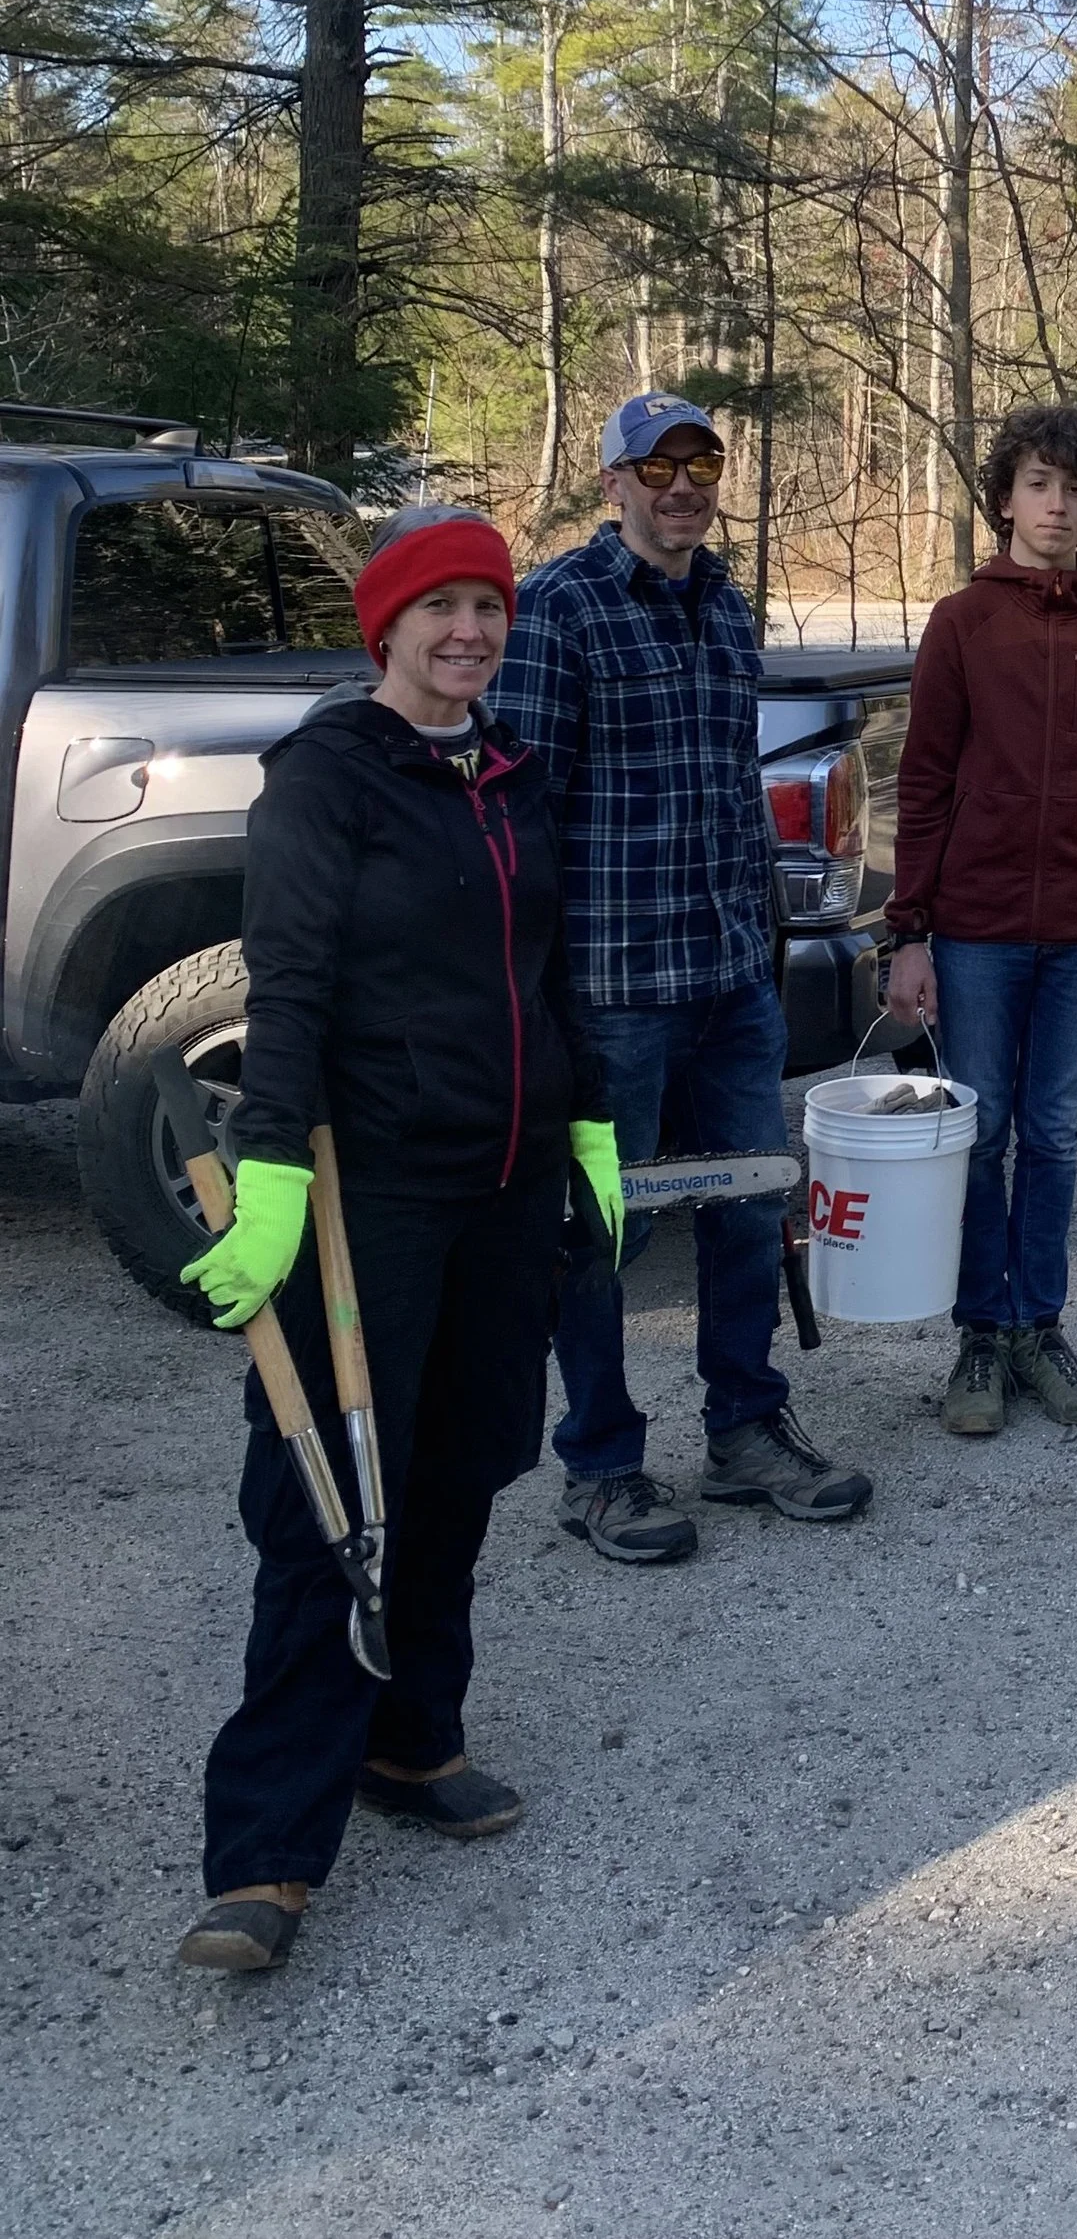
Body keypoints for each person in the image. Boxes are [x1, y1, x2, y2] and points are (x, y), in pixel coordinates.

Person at [177, 506, 621, 1972]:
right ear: (388, 630)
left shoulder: (512, 775)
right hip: (368, 1196)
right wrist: (272, 1181)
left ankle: (411, 1739)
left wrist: (593, 1129)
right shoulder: (327, 779)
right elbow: (288, 988)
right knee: (328, 1498)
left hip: (506, 1189)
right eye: (438, 610)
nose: (468, 634)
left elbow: (552, 977)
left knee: (467, 1464)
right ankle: (263, 1855)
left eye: (487, 609)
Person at [492, 394, 870, 1565]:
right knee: (597, 1231)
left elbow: (728, 798)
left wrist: (766, 940)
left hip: (730, 983)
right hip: (612, 993)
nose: (682, 484)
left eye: (700, 462)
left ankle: (746, 1429)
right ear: (613, 484)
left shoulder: (727, 604)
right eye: (655, 465)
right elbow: (525, 816)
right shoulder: (560, 610)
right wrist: (537, 995)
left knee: (750, 1205)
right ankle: (601, 1466)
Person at [883, 401, 1077, 1437]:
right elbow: (922, 782)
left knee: (1052, 1132)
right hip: (974, 929)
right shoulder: (965, 623)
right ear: (1004, 497)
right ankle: (977, 1337)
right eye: (1040, 484)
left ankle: (1037, 1328)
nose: (1057, 506)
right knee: (984, 1127)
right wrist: (907, 929)